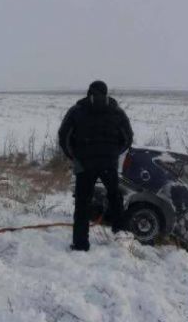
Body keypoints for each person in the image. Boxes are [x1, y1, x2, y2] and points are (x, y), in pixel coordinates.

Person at [58, 80, 133, 251]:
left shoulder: (76, 110)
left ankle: (80, 244)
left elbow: (63, 136)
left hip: (84, 164)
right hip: (109, 163)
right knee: (115, 198)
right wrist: (114, 153)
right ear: (105, 93)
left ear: (89, 92)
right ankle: (121, 235)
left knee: (82, 203)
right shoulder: (117, 112)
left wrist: (73, 156)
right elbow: (128, 138)